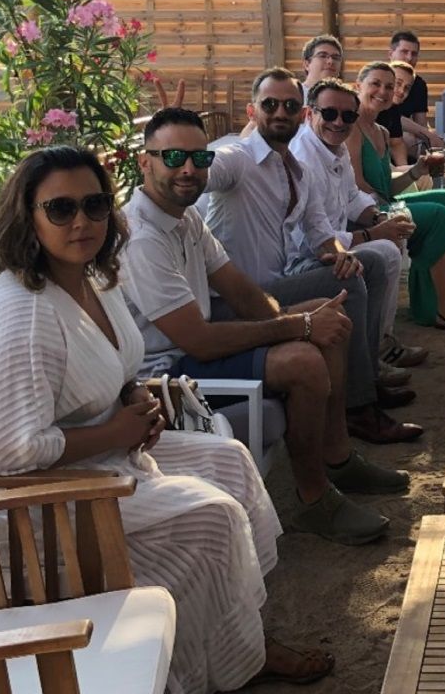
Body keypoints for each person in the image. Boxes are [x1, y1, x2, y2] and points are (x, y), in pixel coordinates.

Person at [0, 146, 334, 694]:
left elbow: (120, 364)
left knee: (228, 462)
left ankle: (233, 643)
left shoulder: (90, 279)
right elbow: (7, 452)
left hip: (92, 454)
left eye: (95, 204)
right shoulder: (23, 315)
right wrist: (114, 431)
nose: (82, 221)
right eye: (61, 208)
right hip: (16, 507)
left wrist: (132, 397)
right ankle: (206, 665)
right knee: (212, 518)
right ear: (28, 216)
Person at [121, 108, 403, 547]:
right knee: (305, 360)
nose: (189, 170)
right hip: (163, 376)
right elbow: (196, 339)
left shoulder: (185, 218)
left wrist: (301, 319)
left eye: (200, 158)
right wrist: (298, 328)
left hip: (192, 354)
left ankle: (338, 456)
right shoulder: (140, 237)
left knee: (330, 313)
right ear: (145, 161)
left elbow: (242, 292)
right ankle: (313, 499)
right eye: (173, 157)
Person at [205, 68, 422, 445]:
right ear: (251, 111)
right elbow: (206, 169)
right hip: (239, 299)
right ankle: (357, 410)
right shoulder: (238, 160)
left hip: (275, 284)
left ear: (300, 112)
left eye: (289, 105)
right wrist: (177, 161)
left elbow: (323, 234)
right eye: (269, 104)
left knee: (363, 263)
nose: (280, 112)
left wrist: (341, 255)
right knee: (350, 282)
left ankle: (365, 380)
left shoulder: (294, 169)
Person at [290, 79, 428, 372]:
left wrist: (380, 219)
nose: (339, 122)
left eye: (348, 116)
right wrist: (373, 233)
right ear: (308, 114)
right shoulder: (303, 159)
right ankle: (374, 355)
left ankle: (380, 344)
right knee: (384, 252)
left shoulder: (336, 149)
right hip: (300, 262)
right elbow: (310, 241)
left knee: (393, 239)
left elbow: (353, 196)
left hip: (331, 248)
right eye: (329, 114)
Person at [349, 61, 445, 328]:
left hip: (384, 202)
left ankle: (432, 295)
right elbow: (357, 188)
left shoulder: (380, 131)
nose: (383, 91)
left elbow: (386, 187)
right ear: (358, 86)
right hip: (366, 213)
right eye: (376, 84)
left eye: (389, 87)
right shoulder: (352, 129)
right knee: (438, 215)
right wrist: (384, 213)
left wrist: (417, 171)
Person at [385, 31, 441, 156]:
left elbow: (421, 123)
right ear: (390, 54)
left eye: (414, 54)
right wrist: (426, 133)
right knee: (408, 139)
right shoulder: (380, 77)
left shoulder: (419, 84)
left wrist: (430, 137)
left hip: (404, 134)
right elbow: (388, 116)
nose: (409, 58)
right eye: (404, 52)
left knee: (436, 143)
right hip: (378, 129)